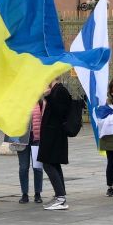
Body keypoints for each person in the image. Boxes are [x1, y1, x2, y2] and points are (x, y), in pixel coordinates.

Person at [38, 79, 72, 210]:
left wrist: (48, 96)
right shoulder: (56, 90)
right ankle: (60, 195)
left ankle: (61, 198)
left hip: (54, 136)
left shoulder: (60, 90)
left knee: (48, 164)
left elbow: (60, 112)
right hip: (52, 135)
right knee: (54, 164)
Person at [18, 101, 44, 204]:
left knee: (37, 167)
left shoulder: (40, 103)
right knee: (23, 168)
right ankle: (24, 194)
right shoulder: (19, 103)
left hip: (37, 139)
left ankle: (38, 193)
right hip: (22, 139)